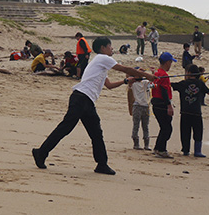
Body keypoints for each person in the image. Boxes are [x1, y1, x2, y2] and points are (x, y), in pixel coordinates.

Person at [32, 37, 156, 175]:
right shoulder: (102, 58)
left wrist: (126, 81)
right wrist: (147, 76)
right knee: (65, 128)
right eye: (110, 47)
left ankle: (102, 164)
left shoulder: (100, 64)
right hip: (80, 98)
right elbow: (125, 68)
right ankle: (41, 153)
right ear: (103, 48)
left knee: (96, 133)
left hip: (87, 101)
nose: (112, 49)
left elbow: (108, 85)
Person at [172, 64, 209, 157]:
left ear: (188, 73)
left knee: (185, 132)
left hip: (185, 112)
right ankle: (197, 151)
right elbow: (208, 92)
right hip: (196, 112)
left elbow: (171, 85)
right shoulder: (200, 83)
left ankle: (185, 150)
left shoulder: (183, 83)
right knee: (198, 131)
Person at [151, 52, 177, 158]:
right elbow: (164, 91)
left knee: (164, 127)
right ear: (167, 62)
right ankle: (161, 150)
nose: (171, 65)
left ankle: (158, 148)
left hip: (155, 103)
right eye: (170, 62)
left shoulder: (157, 73)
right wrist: (169, 105)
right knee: (167, 128)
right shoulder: (163, 75)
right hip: (161, 103)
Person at [128, 67, 152, 150]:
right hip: (137, 106)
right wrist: (135, 73)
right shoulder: (132, 83)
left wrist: (150, 73)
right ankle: (136, 143)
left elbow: (152, 82)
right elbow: (127, 77)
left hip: (145, 106)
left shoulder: (145, 82)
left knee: (145, 126)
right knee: (136, 125)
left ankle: (146, 144)